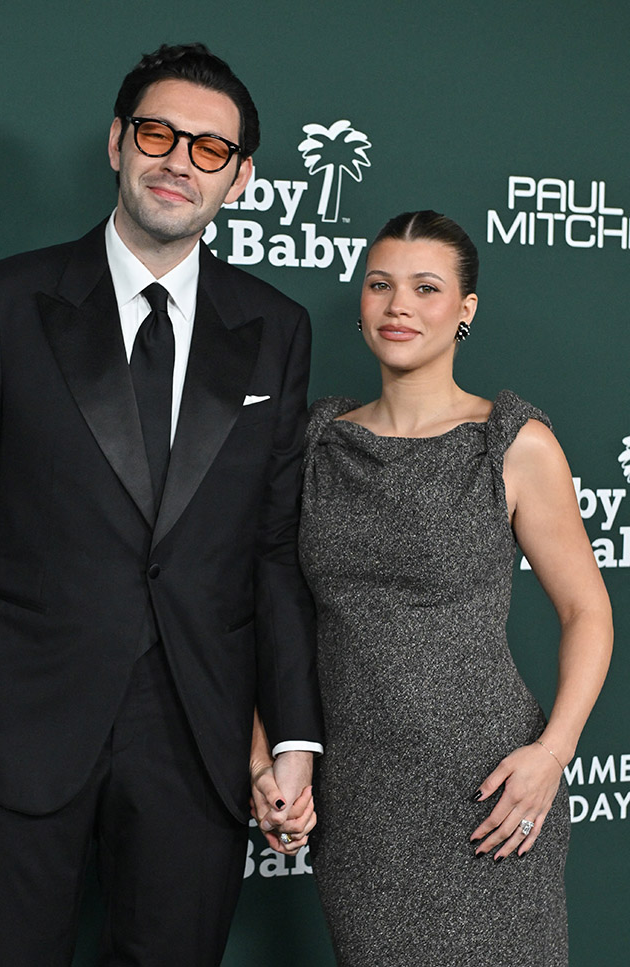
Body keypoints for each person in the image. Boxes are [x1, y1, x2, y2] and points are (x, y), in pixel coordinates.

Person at [0, 42, 322, 967]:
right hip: (12, 731)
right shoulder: (6, 301)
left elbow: (274, 551)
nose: (180, 162)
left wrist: (293, 734)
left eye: (210, 149)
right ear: (118, 143)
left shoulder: (278, 328)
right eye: (158, 134)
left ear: (241, 178)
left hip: (198, 736)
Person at [297, 210, 612, 966]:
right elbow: (269, 614)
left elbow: (587, 610)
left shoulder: (511, 442)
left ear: (465, 309)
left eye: (426, 288)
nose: (398, 306)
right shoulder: (317, 441)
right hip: (361, 803)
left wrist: (553, 753)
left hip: (489, 793)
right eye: (380, 285)